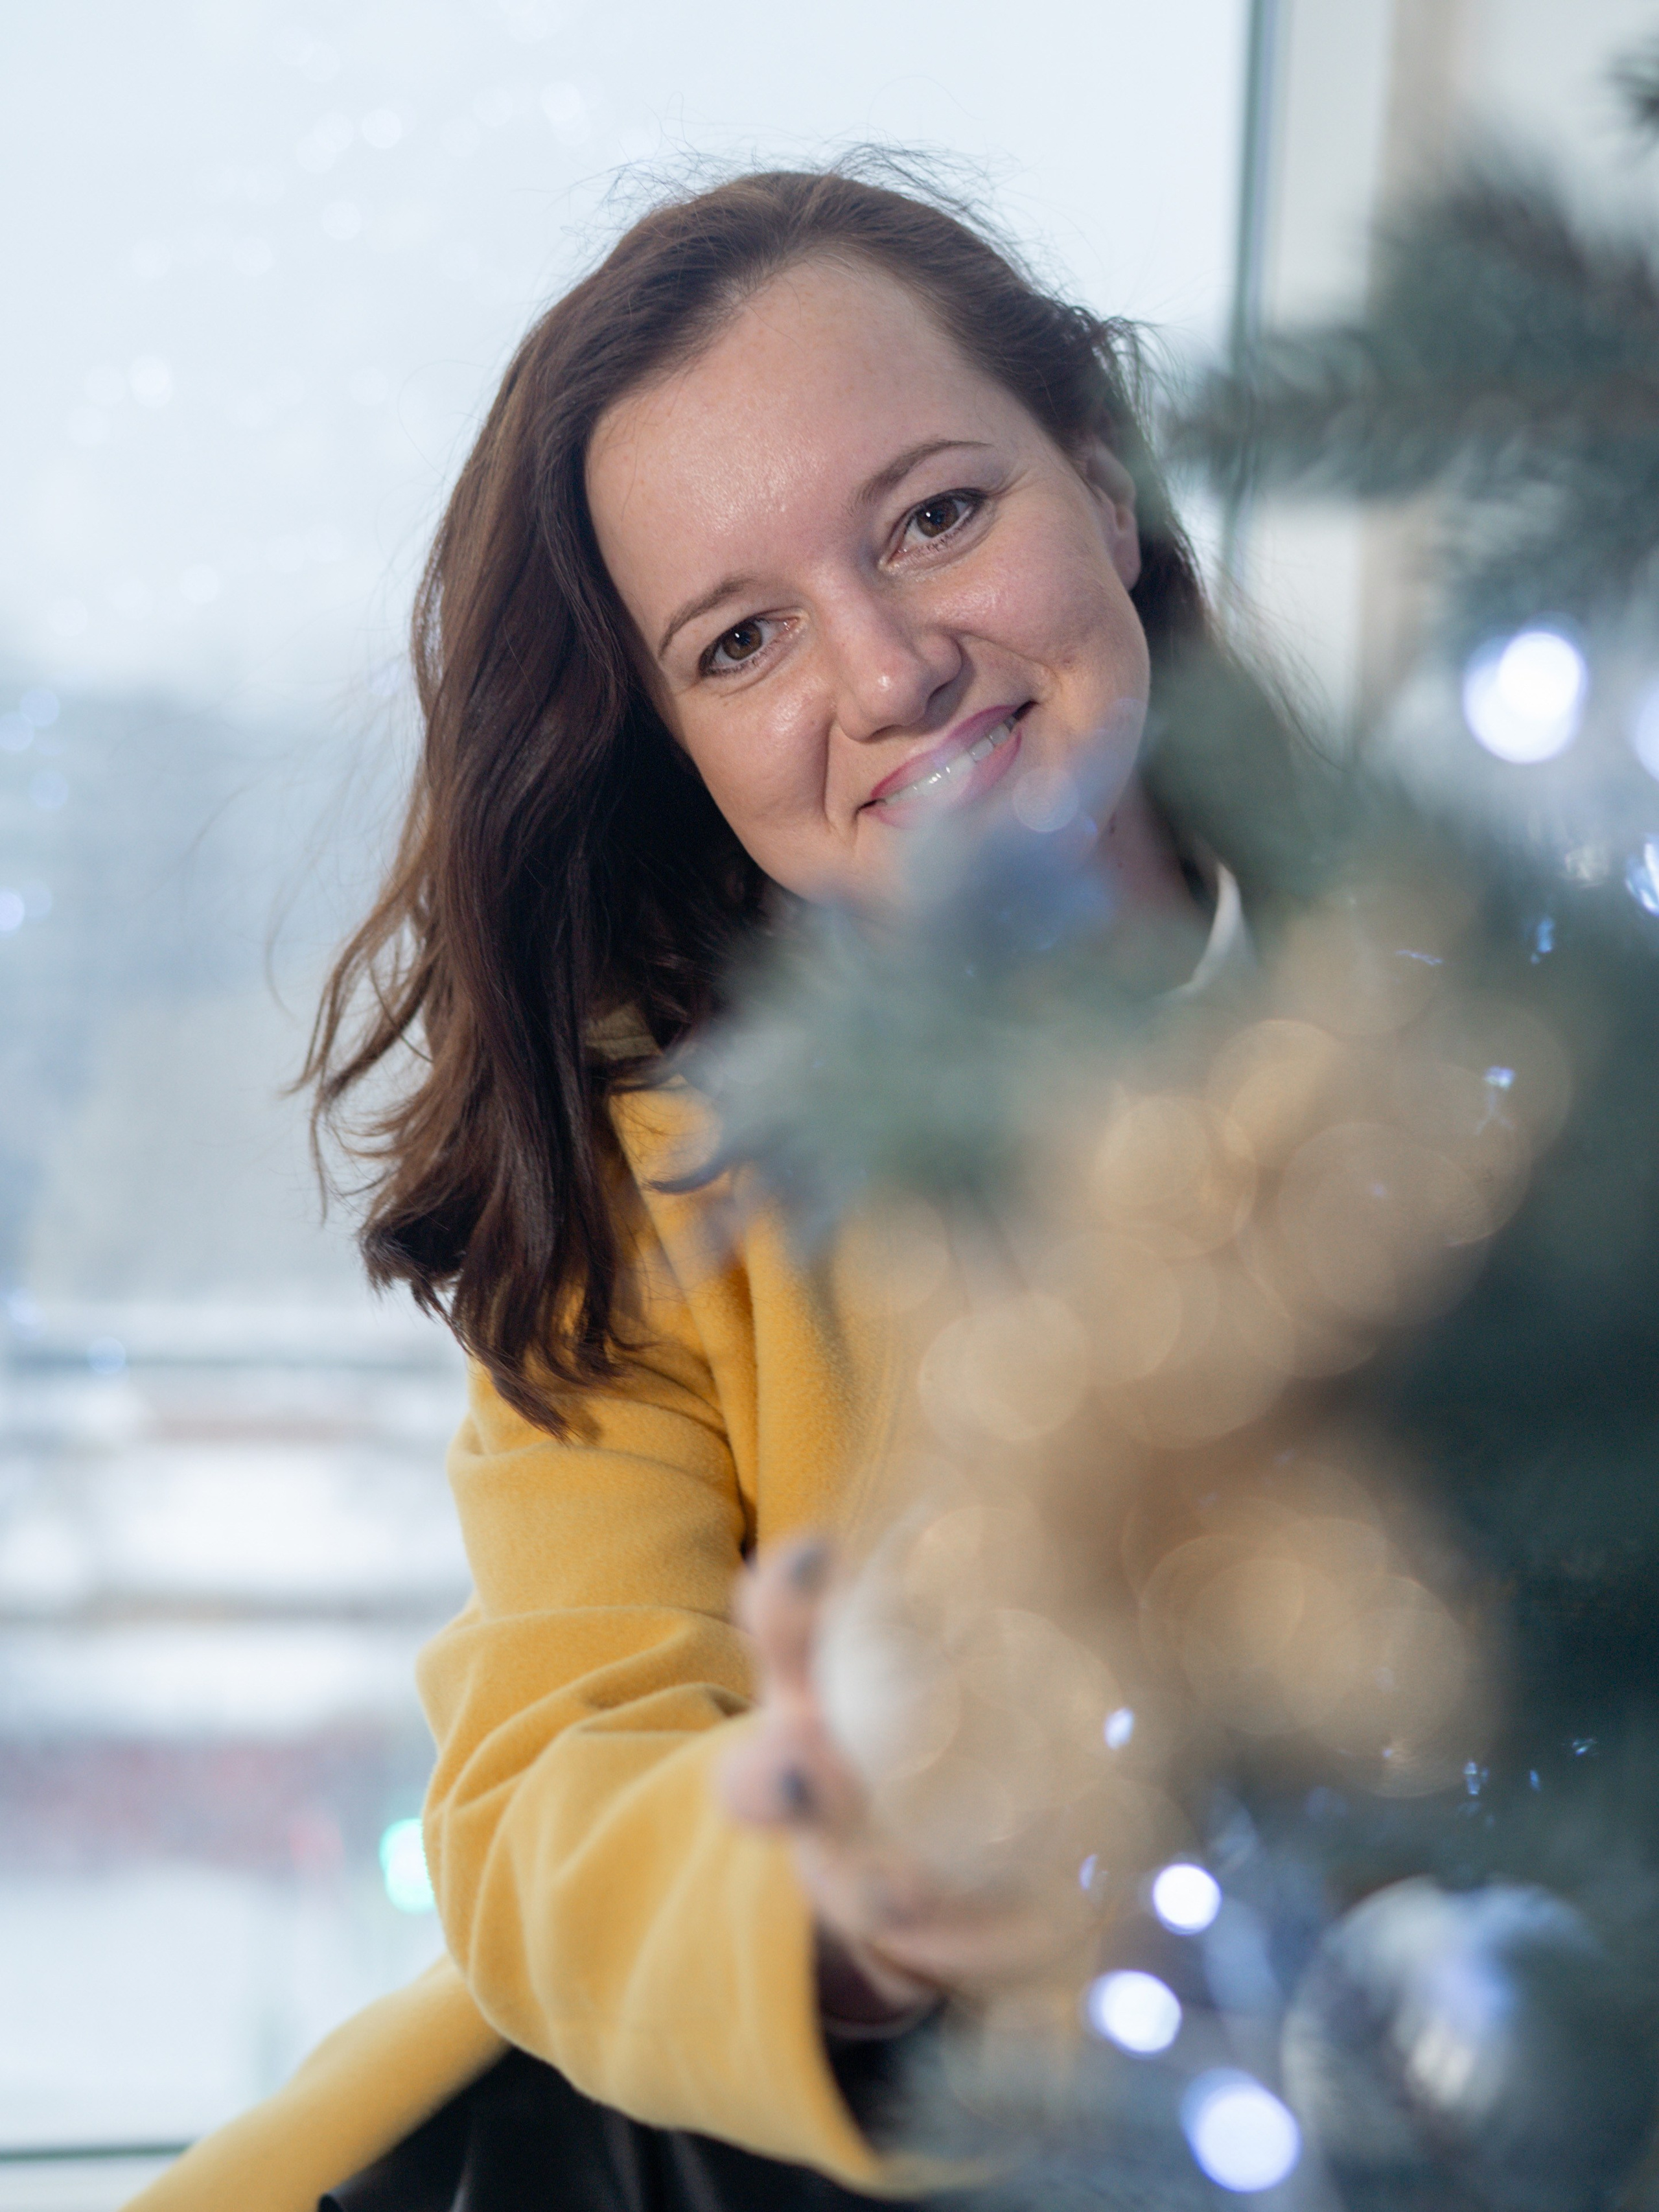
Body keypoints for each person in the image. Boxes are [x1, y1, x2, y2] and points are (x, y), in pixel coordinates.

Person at [126, 160, 1234, 2212]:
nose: (891, 670)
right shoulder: (672, 1183)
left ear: (1101, 474)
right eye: (744, 640)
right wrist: (852, 1910)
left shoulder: (1524, 1015)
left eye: (936, 515)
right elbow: (555, 1772)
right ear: (679, 745)